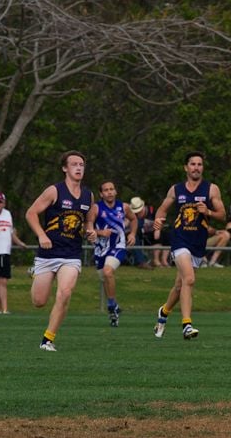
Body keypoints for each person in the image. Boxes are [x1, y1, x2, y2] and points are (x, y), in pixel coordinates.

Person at [25, 150, 96, 351]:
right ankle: (35, 273)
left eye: (81, 164)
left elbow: (88, 221)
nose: (79, 168)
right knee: (39, 302)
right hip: (48, 253)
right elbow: (31, 213)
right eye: (74, 164)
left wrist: (90, 232)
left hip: (71, 255)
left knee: (65, 293)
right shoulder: (54, 191)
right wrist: (41, 235)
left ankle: (48, 339)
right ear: (65, 168)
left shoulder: (88, 196)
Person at [152, 151, 225, 340]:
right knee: (190, 279)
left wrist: (208, 210)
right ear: (186, 167)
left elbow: (222, 215)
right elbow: (163, 208)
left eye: (199, 164)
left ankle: (164, 312)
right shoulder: (176, 189)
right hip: (179, 240)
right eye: (192, 164)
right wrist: (158, 220)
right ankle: (187, 324)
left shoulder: (211, 189)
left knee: (180, 285)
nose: (196, 168)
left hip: (198, 243)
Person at [87, 181, 138, 326]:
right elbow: (88, 227)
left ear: (115, 192)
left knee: (108, 272)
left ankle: (110, 305)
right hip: (101, 249)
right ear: (101, 194)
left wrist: (133, 234)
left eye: (112, 189)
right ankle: (114, 308)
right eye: (106, 190)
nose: (109, 192)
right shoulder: (96, 209)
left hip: (118, 245)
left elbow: (134, 219)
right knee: (104, 277)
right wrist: (99, 232)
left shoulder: (124, 207)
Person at [128, 197, 152, 268]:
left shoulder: (151, 211)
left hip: (151, 233)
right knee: (134, 238)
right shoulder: (129, 214)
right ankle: (141, 262)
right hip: (135, 234)